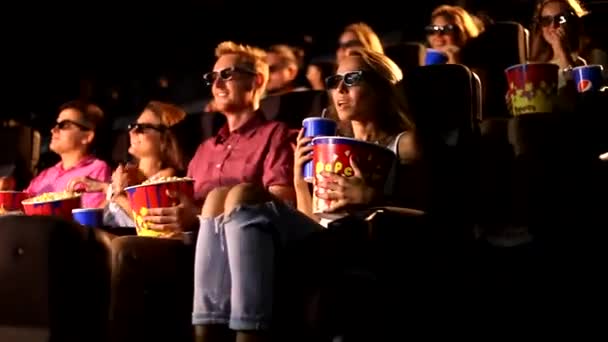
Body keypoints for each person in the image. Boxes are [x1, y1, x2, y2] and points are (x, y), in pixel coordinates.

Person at [190, 48, 418, 342]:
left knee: (244, 194)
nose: (340, 88)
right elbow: (313, 218)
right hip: (322, 235)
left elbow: (432, 218)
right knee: (219, 197)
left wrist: (374, 198)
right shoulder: (335, 146)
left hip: (361, 241)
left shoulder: (406, 143)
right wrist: (299, 178)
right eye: (335, 80)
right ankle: (205, 334)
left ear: (382, 86)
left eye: (353, 78)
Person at [66, 101, 188, 227]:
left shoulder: (166, 177)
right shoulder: (129, 174)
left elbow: (147, 222)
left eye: (142, 128)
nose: (132, 132)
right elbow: (103, 216)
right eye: (132, 126)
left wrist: (116, 193)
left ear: (165, 138)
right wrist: (106, 188)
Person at [0, 100, 110, 208]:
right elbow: (21, 208)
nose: (53, 130)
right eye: (56, 124)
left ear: (87, 136)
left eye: (65, 125)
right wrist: (6, 193)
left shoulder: (97, 169)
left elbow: (89, 214)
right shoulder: (46, 174)